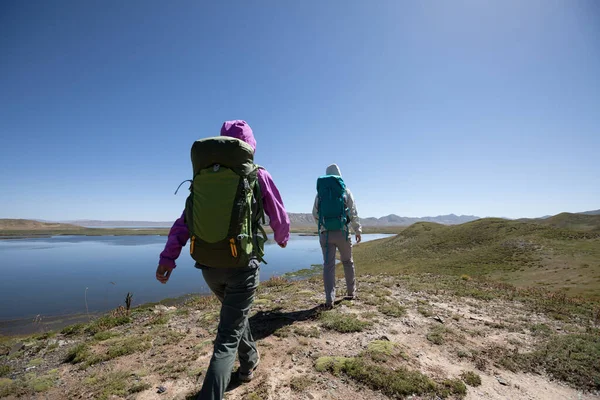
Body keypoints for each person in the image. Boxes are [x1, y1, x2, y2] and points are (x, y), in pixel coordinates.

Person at [155, 120, 290, 400]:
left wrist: (168, 258)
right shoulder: (257, 175)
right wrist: (282, 236)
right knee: (226, 338)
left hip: (208, 266)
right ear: (249, 146)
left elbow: (184, 222)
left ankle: (249, 363)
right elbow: (279, 214)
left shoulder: (204, 178)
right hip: (242, 265)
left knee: (234, 317)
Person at [312, 164, 362, 309]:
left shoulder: (320, 193)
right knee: (347, 262)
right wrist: (357, 230)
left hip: (326, 234)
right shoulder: (345, 190)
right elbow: (353, 212)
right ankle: (351, 293)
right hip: (343, 232)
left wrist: (323, 225)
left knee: (328, 266)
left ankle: (329, 299)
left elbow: (315, 213)